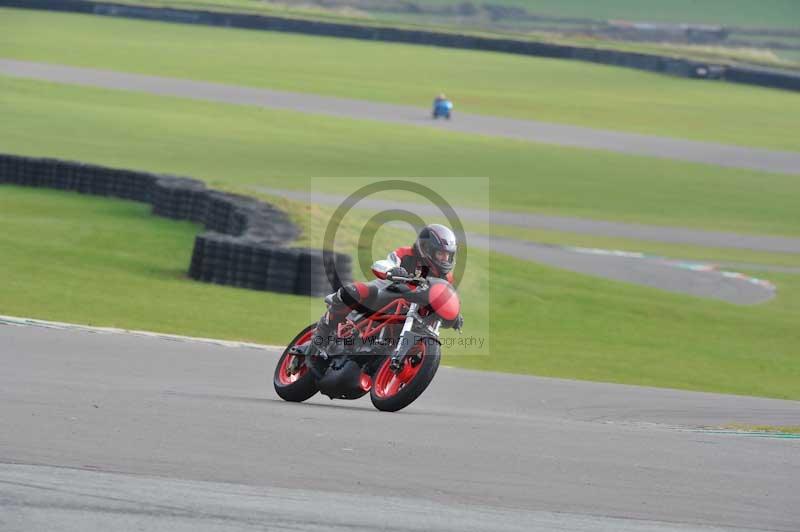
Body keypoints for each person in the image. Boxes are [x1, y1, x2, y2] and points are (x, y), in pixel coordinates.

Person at [309, 224, 463, 356]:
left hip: (412, 311)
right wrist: (393, 270)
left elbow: (446, 297)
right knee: (355, 291)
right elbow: (384, 264)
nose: (444, 259)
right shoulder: (406, 255)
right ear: (426, 248)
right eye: (440, 253)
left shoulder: (446, 278)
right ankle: (321, 335)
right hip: (387, 292)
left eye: (448, 255)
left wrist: (454, 315)